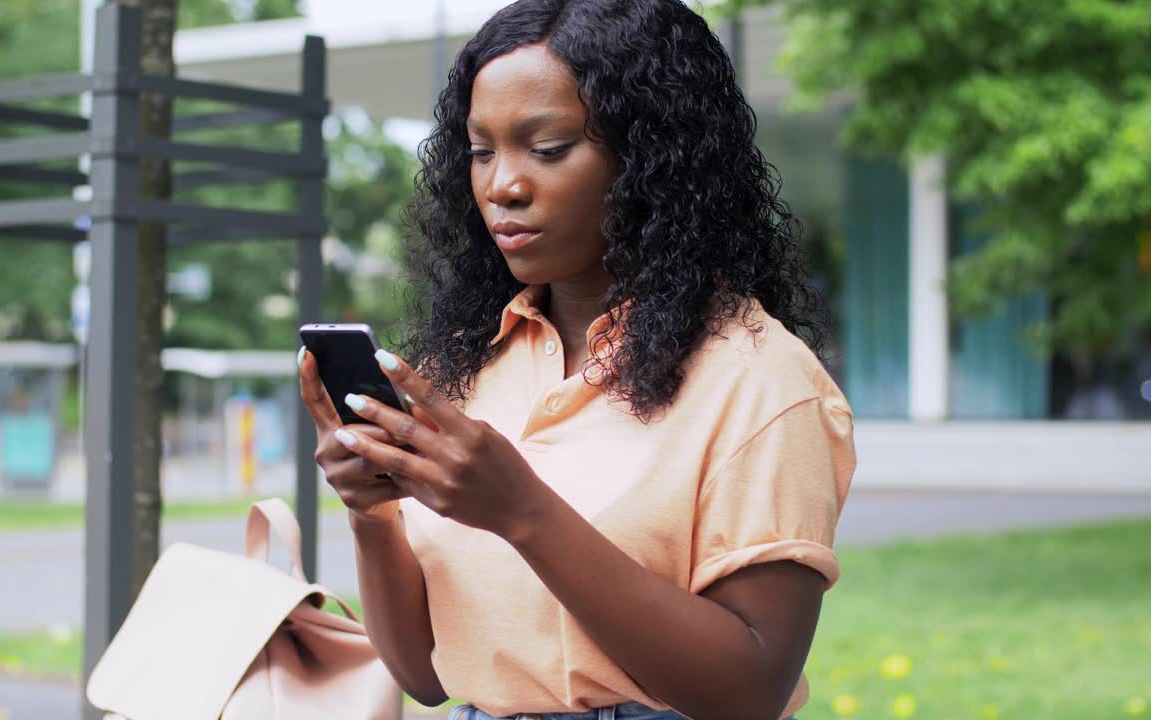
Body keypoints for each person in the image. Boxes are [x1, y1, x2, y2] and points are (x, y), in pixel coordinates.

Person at [297, 2, 855, 719]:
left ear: (652, 158)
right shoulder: (468, 369)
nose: (504, 185)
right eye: (481, 150)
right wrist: (372, 509)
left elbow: (747, 691)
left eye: (549, 147)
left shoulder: (759, 379)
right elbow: (423, 675)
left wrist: (522, 512)